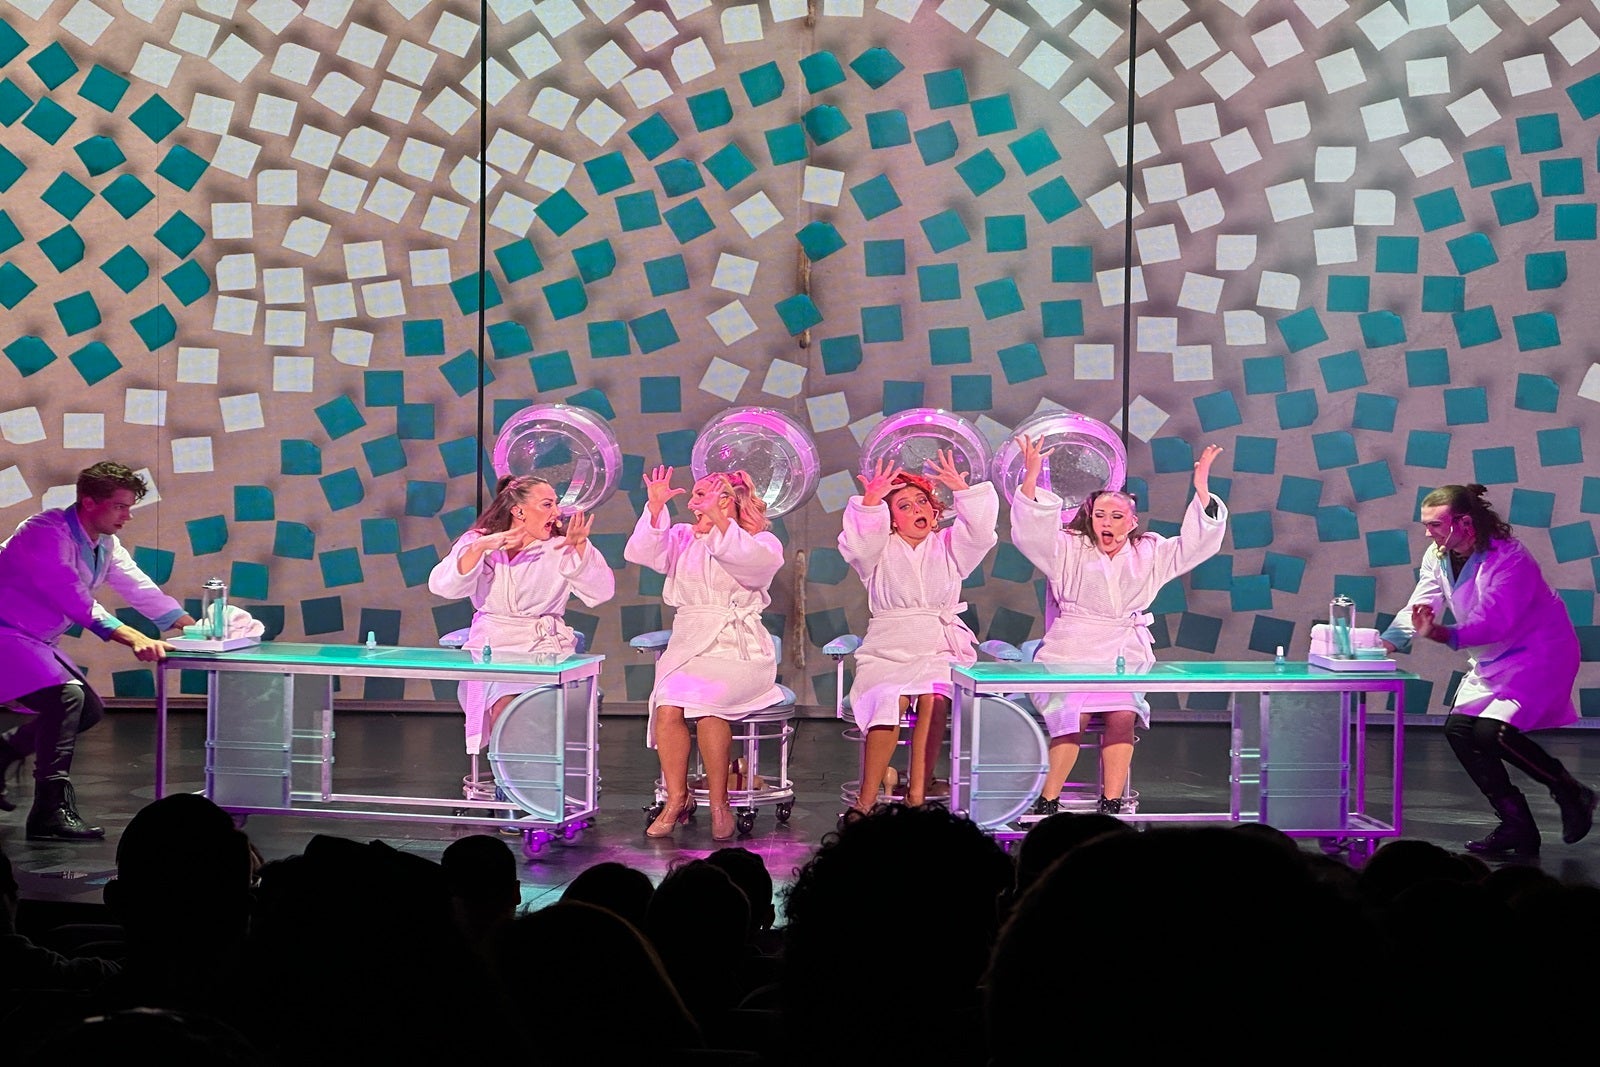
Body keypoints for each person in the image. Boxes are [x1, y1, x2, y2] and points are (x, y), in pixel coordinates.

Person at [1009, 438, 1227, 816]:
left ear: (1132, 522)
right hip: (1069, 652)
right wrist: (1031, 479)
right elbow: (1032, 534)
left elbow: (1193, 547)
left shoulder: (1150, 552)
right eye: (1099, 515)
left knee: (1123, 714)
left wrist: (1203, 491)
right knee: (1071, 714)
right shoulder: (1068, 547)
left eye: (1115, 516)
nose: (1106, 523)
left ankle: (1112, 802)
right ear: (1090, 518)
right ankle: (1048, 800)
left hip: (1120, 655)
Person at [1379, 483, 1595, 856]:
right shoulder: (1438, 555)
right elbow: (1421, 603)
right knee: (1460, 731)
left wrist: (1443, 633)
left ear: (1464, 523)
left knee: (1493, 733)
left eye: (1434, 524)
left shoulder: (1510, 559)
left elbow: (1494, 622)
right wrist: (1385, 645)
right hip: (1496, 657)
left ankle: (1570, 791)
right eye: (1426, 525)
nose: (1427, 533)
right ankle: (1516, 824)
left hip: (1540, 654)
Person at [0, 462, 196, 840]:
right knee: (66, 698)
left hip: (29, 638)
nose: (128, 516)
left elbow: (139, 587)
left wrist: (191, 626)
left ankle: (4, 752)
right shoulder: (44, 532)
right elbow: (73, 597)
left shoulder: (104, 542)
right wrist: (132, 637)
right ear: (89, 502)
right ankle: (48, 813)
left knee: (86, 708)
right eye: (120, 506)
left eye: (129, 507)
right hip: (5, 632)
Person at [624, 465, 784, 842]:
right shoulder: (683, 537)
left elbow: (755, 569)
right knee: (667, 704)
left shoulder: (761, 540)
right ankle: (676, 798)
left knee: (710, 706)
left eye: (702, 495)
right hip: (689, 647)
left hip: (739, 652)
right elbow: (643, 552)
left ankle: (719, 804)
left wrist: (719, 524)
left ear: (727, 500)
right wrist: (654, 509)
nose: (692, 502)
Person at [839, 450, 997, 812]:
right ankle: (865, 801)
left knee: (935, 696)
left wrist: (963, 490)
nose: (917, 509)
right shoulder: (878, 551)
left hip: (938, 647)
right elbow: (859, 543)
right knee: (887, 700)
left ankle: (917, 797)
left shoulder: (949, 545)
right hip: (887, 650)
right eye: (904, 506)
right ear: (891, 520)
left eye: (922, 501)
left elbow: (980, 534)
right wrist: (871, 502)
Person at [427, 475, 614, 755]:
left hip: (541, 649)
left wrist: (580, 548)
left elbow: (602, 592)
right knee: (502, 705)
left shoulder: (561, 545)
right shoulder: (480, 541)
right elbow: (443, 586)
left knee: (516, 707)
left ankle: (522, 778)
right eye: (547, 504)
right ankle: (510, 776)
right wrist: (480, 548)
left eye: (556, 504)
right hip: (490, 650)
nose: (557, 512)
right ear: (518, 510)